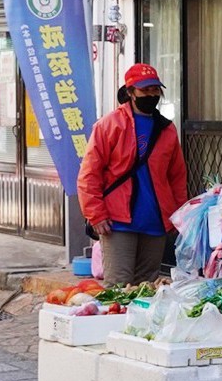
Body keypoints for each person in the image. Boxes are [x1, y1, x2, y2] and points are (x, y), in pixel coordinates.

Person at [77, 63, 188, 285]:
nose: (151, 95)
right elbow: (89, 174)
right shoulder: (109, 125)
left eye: (155, 90)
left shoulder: (167, 128)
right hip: (117, 222)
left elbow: (177, 177)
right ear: (130, 92)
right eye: (145, 90)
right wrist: (95, 213)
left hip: (155, 221)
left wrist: (180, 217)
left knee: (146, 289)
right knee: (118, 286)